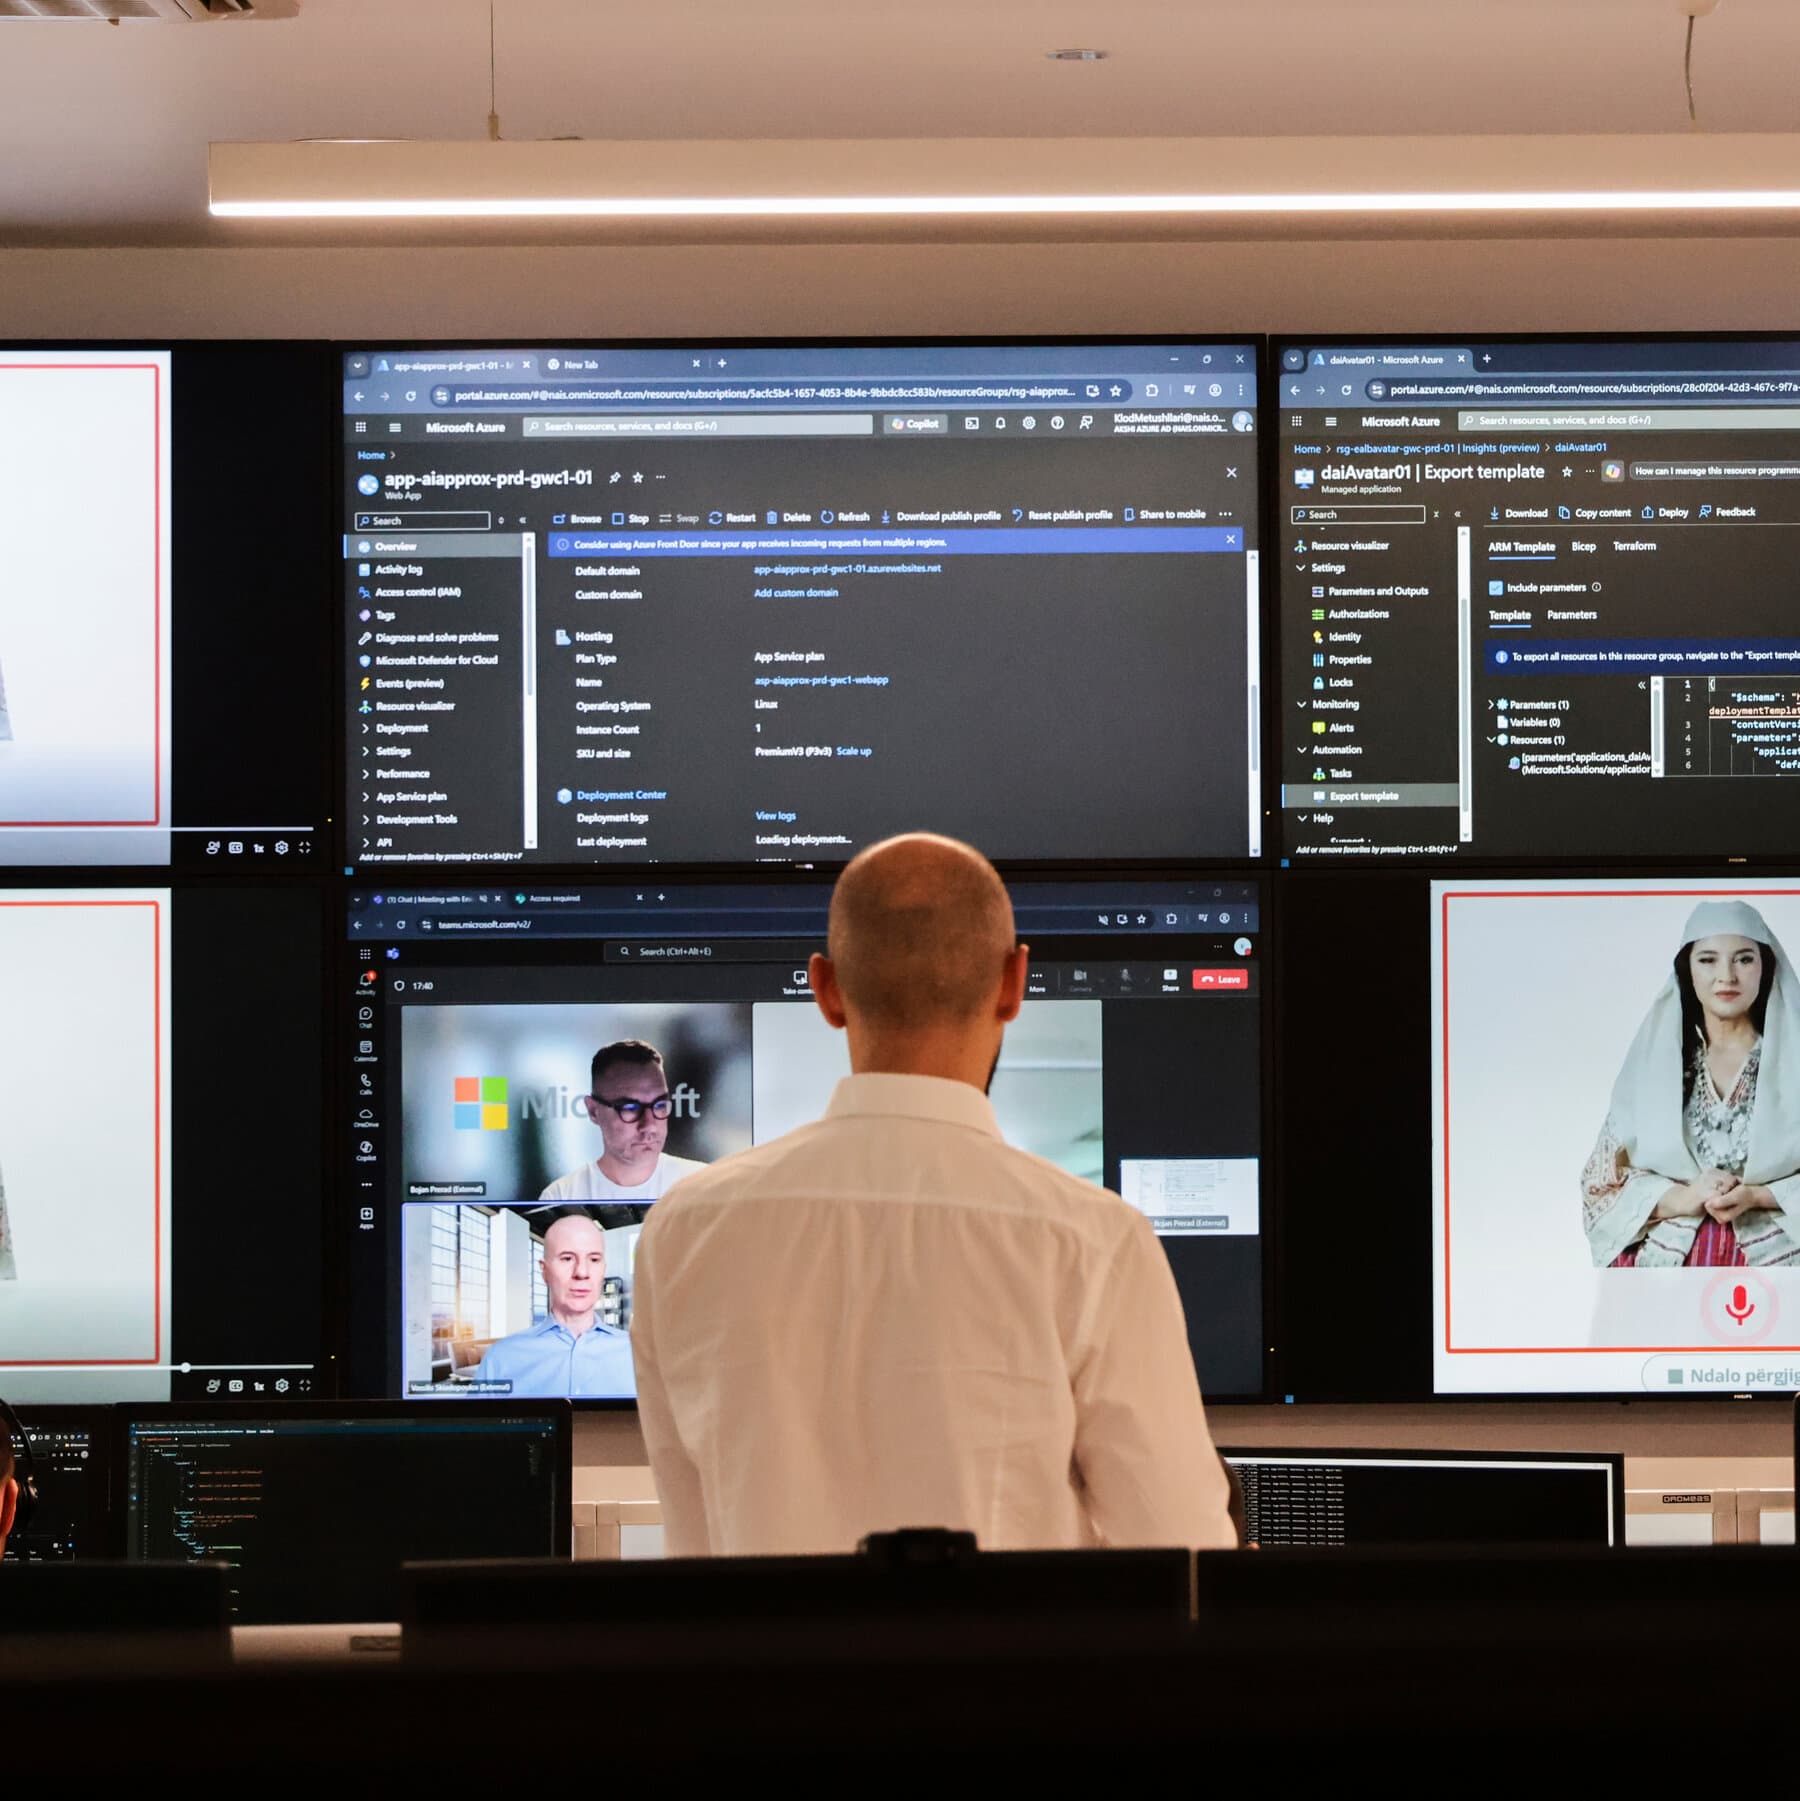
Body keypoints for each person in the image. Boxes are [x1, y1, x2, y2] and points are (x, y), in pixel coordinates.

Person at [631, 831, 1237, 1557]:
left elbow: (692, 1548)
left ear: (824, 988)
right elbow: (1182, 1556)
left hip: (769, 1673)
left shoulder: (682, 1231)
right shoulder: (1094, 1240)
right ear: (1015, 983)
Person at [1582, 900, 1800, 1269]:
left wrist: (1760, 1196)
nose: (1726, 976)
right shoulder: (1656, 1069)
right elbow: (1601, 1186)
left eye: (1744, 959)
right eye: (1708, 959)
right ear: (1688, 970)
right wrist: (1683, 1198)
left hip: (1781, 1265)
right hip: (1671, 1269)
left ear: (1766, 966)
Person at [470, 1210, 635, 1398]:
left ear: (603, 1270)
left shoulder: (638, 1355)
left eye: (594, 1259)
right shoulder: (501, 1358)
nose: (581, 1272)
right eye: (567, 1258)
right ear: (545, 1271)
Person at [538, 1039, 708, 1207]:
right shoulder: (561, 1198)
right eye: (630, 1108)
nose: (649, 1125)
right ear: (593, 1111)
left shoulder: (705, 1185)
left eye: (660, 1105)